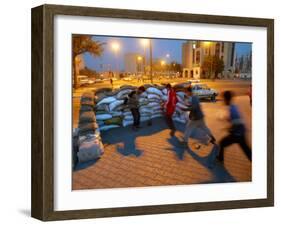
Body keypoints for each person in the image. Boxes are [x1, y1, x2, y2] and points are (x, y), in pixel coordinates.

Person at [217, 91, 252, 162]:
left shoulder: (232, 109)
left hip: (237, 135)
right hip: (240, 133)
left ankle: (220, 159)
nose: (223, 101)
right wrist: (228, 120)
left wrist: (230, 129)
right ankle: (220, 159)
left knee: (222, 143)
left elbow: (237, 122)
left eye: (223, 99)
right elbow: (236, 120)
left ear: (226, 99)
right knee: (247, 151)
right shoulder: (233, 106)